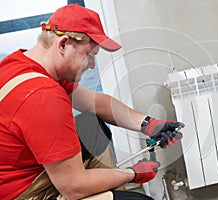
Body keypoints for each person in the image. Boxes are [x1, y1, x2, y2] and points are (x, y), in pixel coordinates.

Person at [0, 4, 184, 200]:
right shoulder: (44, 97)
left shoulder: (21, 64)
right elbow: (73, 188)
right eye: (89, 56)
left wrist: (148, 124)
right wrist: (134, 173)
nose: (92, 65)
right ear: (63, 44)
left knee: (92, 127)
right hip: (22, 194)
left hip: (20, 172)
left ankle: (109, 190)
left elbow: (95, 102)